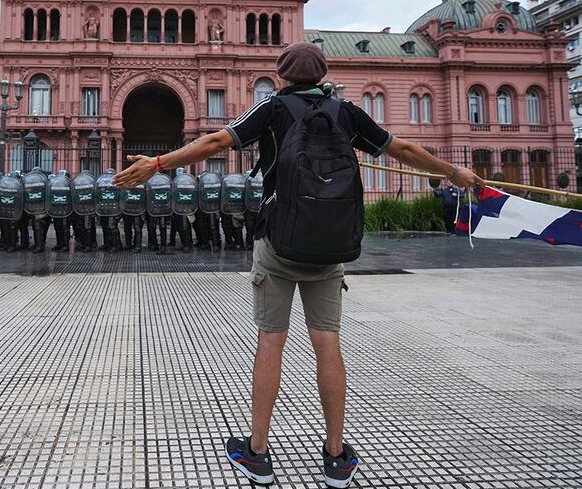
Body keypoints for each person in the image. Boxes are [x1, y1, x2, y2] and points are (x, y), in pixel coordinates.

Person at [114, 42, 482, 488]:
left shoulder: (272, 108)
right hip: (331, 245)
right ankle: (336, 456)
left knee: (272, 341)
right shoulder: (346, 112)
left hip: (279, 242)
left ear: (283, 75)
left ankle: (257, 453)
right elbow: (400, 147)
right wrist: (454, 172)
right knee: (328, 343)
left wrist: (158, 163)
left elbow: (215, 142)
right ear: (322, 75)